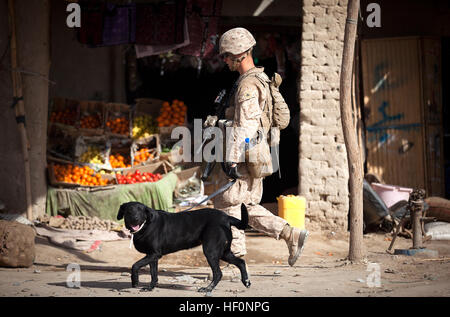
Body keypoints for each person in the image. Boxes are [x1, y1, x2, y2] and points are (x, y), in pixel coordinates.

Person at [210, 27, 309, 272]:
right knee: (247, 207)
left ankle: (234, 265)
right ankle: (291, 235)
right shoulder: (259, 78)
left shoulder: (247, 86)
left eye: (227, 55)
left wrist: (232, 160)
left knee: (229, 206)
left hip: (244, 156)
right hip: (254, 153)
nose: (224, 60)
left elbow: (246, 127)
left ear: (239, 55)